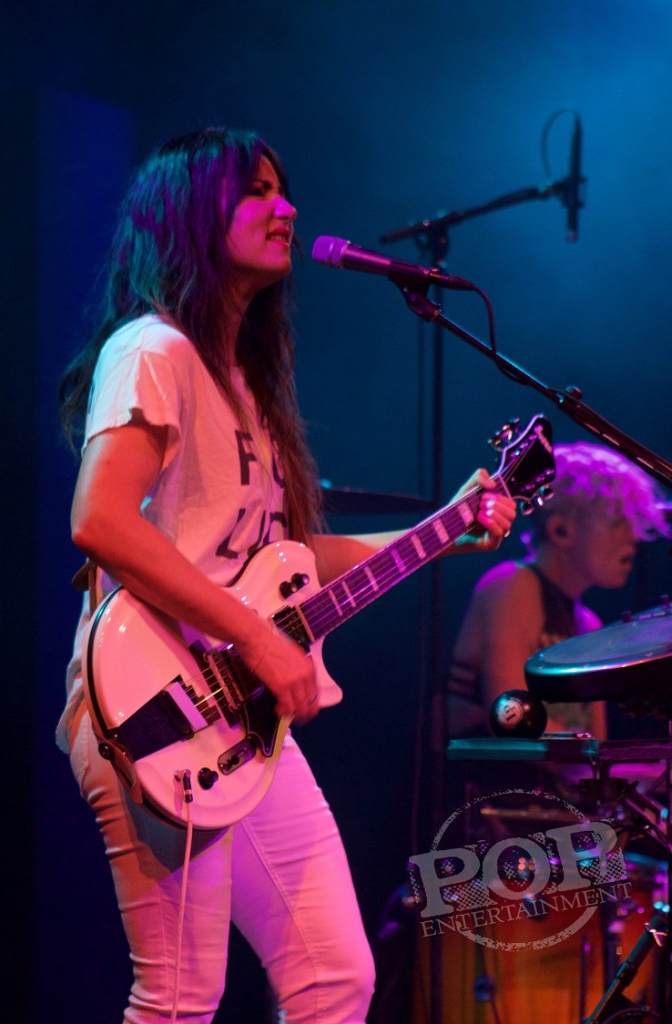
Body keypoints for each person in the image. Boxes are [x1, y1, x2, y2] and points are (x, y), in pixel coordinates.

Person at [55, 126, 517, 1024]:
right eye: (257, 191)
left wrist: (443, 532)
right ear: (192, 213)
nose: (287, 209)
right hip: (148, 709)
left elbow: (289, 562)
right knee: (180, 998)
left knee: (335, 976)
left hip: (236, 717)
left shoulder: (246, 384)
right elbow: (99, 519)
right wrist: (258, 641)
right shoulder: (152, 349)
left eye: (284, 190)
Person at [446, 440, 668, 740]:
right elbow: (512, 725)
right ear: (561, 530)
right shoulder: (511, 585)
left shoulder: (588, 623)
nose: (633, 538)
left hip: (560, 773)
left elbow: (595, 747)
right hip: (496, 773)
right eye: (618, 522)